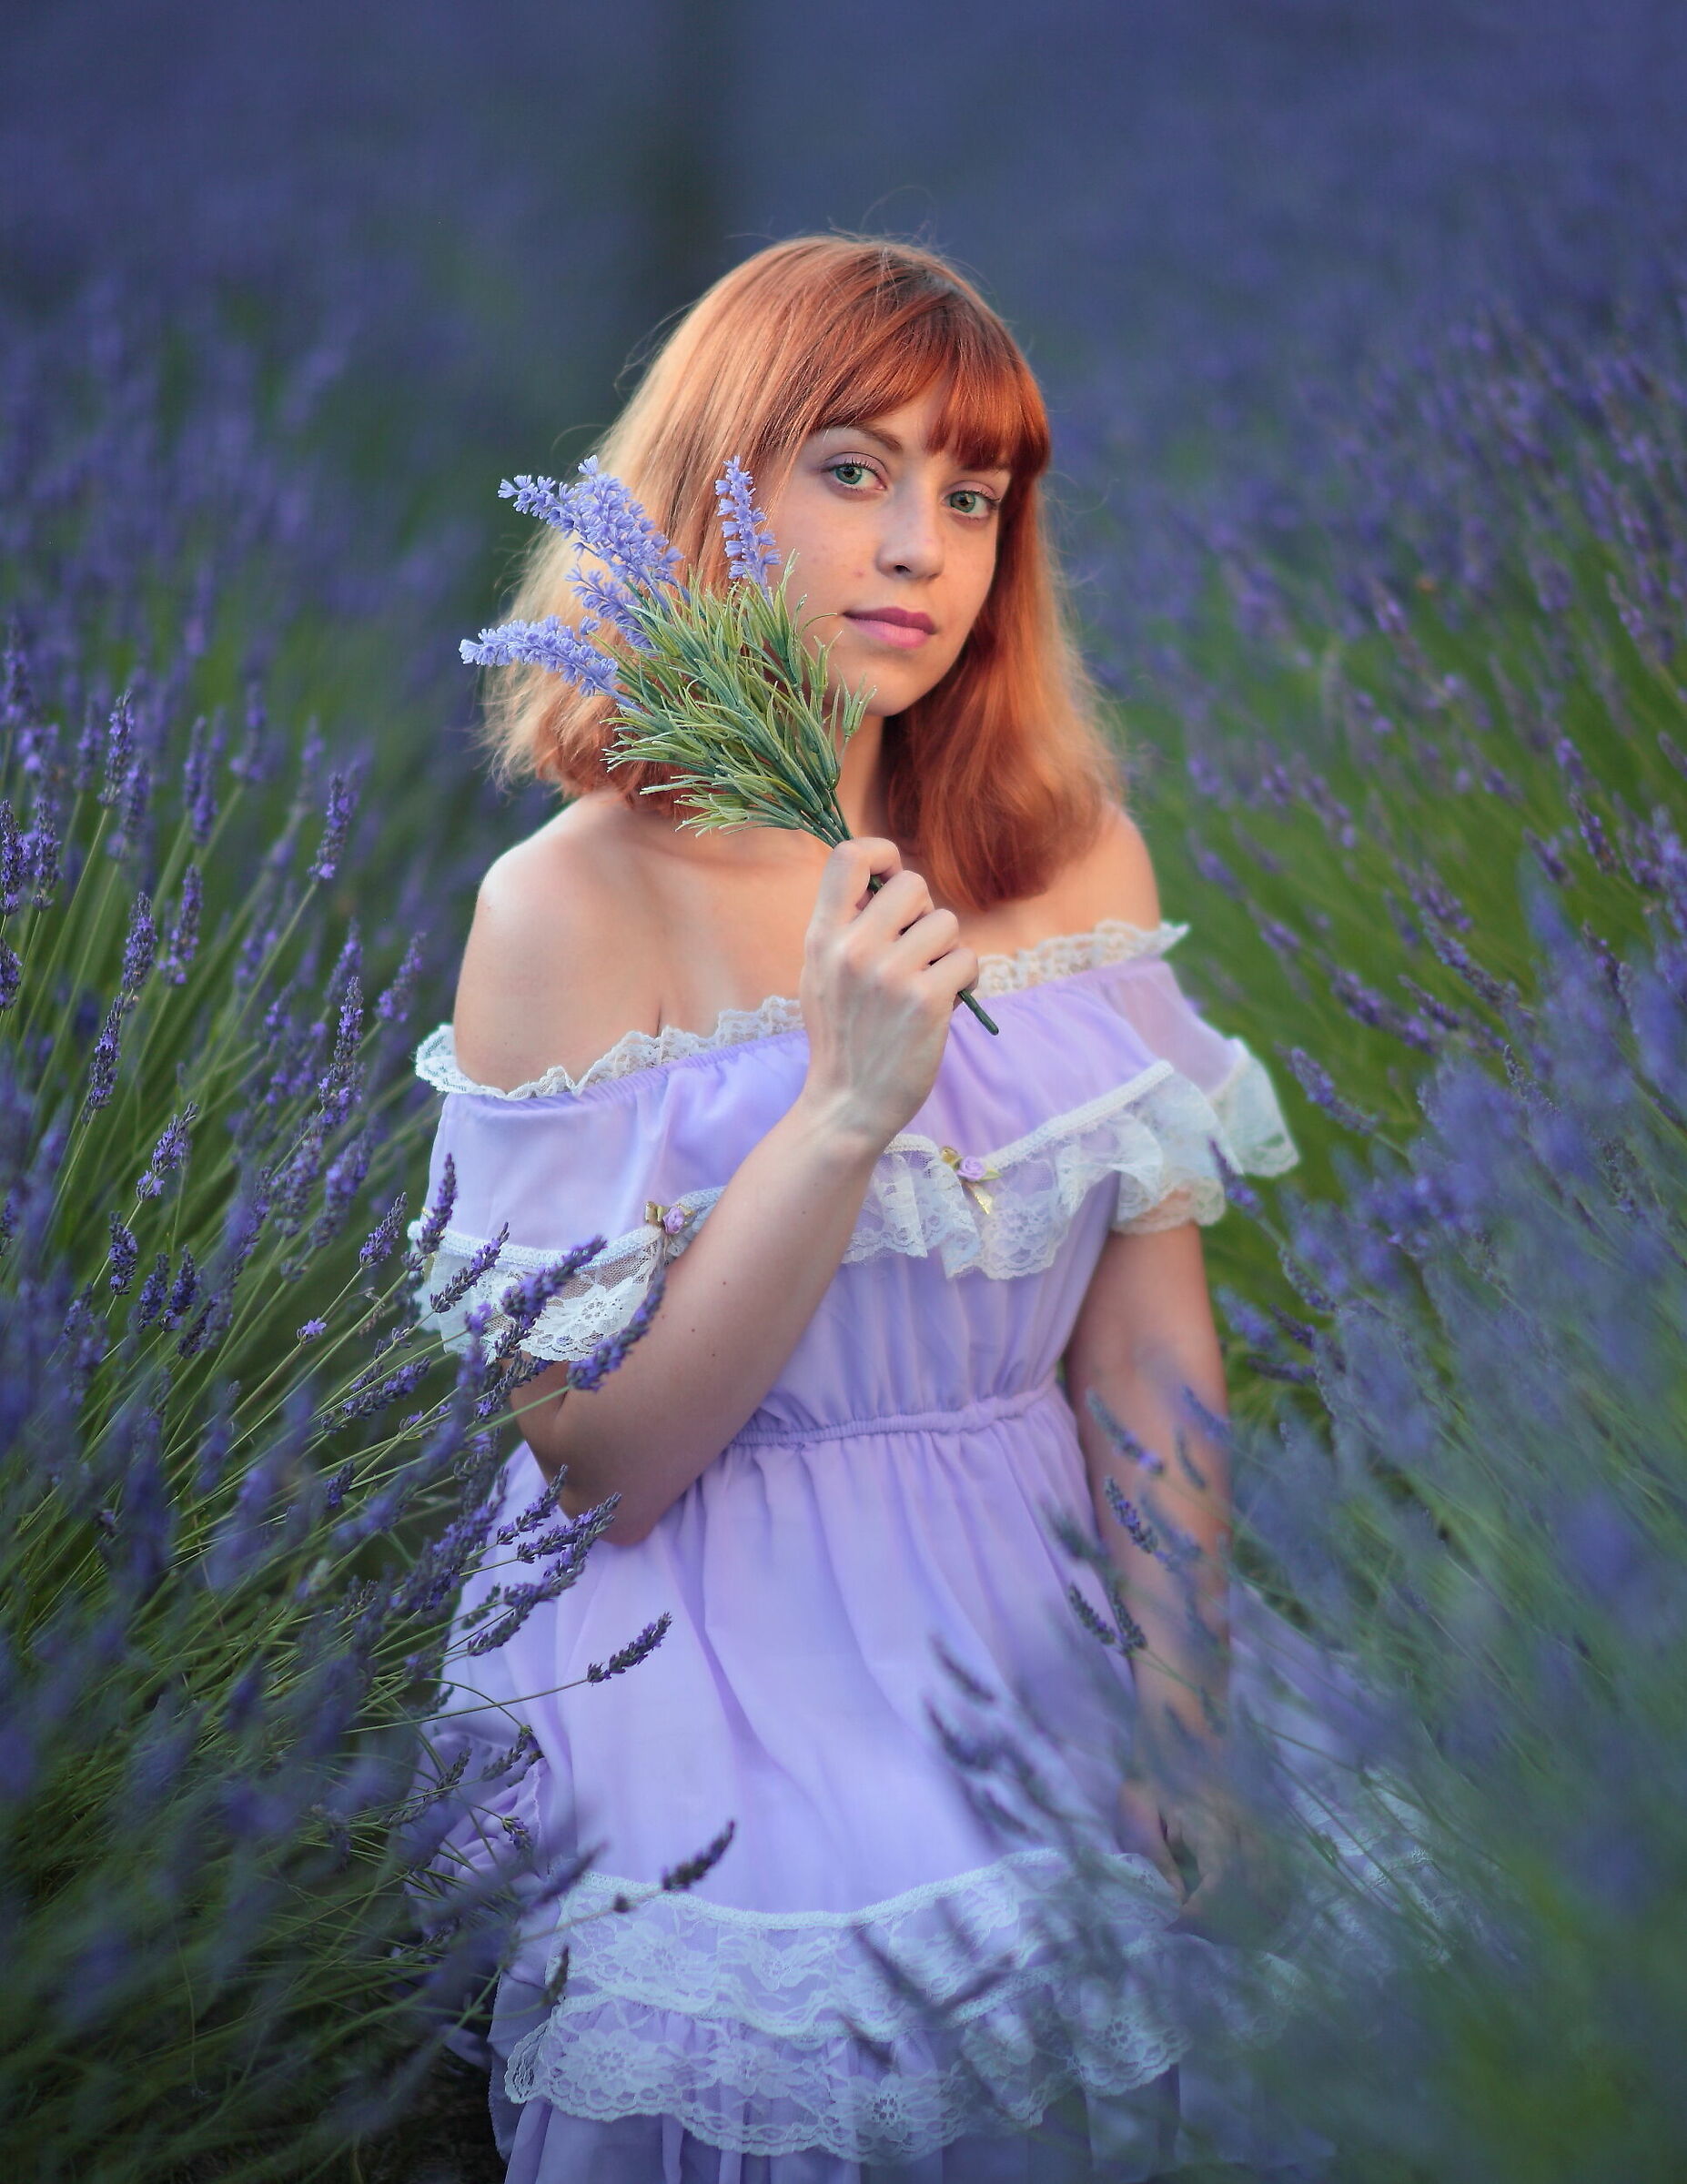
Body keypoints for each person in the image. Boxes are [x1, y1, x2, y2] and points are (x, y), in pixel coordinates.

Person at [407, 235, 1338, 2182]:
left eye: (973, 495)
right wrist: (840, 1115)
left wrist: (1182, 1704)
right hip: (725, 1667)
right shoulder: (573, 911)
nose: (923, 544)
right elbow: (604, 1468)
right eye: (853, 470)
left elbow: (1147, 1334)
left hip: (1044, 1602)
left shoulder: (1062, 859)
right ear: (708, 500)